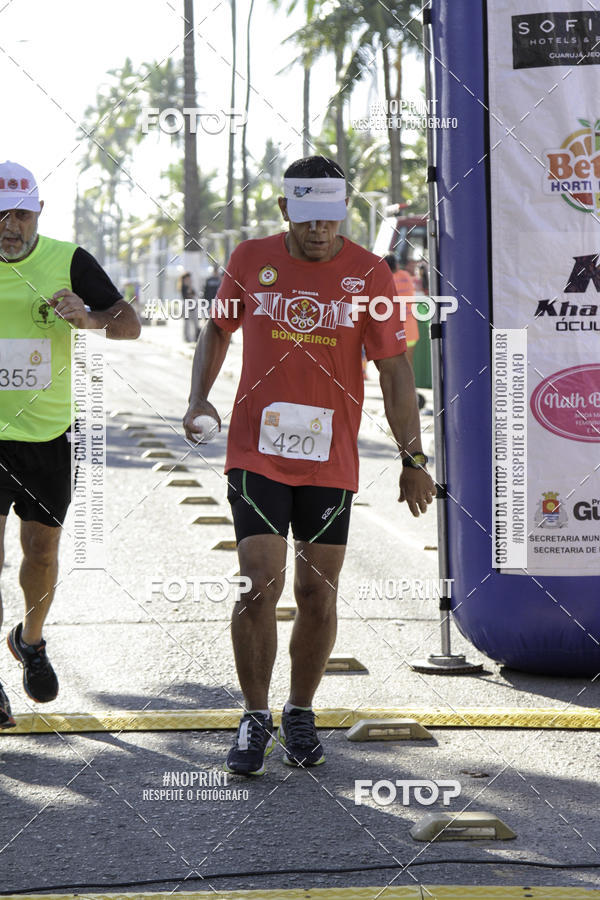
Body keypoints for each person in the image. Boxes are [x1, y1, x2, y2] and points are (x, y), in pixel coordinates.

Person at [183, 156, 435, 775]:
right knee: (258, 581)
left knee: (317, 594)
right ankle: (253, 715)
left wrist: (413, 457)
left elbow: (396, 370)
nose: (320, 230)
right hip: (255, 451)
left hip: (330, 458)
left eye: (331, 217)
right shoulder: (250, 260)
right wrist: (198, 398)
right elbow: (218, 331)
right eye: (308, 217)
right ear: (285, 210)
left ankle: (299, 710)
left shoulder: (369, 274)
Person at [0, 161, 140, 728]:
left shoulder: (69, 259)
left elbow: (130, 322)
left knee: (41, 554)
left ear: (38, 214)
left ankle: (30, 641)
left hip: (48, 436)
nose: (10, 226)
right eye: (1, 215)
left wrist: (90, 317)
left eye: (21, 215)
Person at [384, 253, 420, 368]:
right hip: (411, 328)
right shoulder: (406, 276)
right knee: (409, 365)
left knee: (394, 368)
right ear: (396, 264)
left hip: (394, 330)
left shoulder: (385, 280)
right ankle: (410, 386)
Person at [180, 272, 199, 342]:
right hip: (186, 305)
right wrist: (189, 289)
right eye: (188, 278)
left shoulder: (190, 285)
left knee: (195, 321)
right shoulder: (183, 286)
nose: (189, 279)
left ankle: (196, 336)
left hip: (192, 305)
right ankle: (186, 337)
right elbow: (186, 295)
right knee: (187, 323)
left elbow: (194, 294)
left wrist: (190, 286)